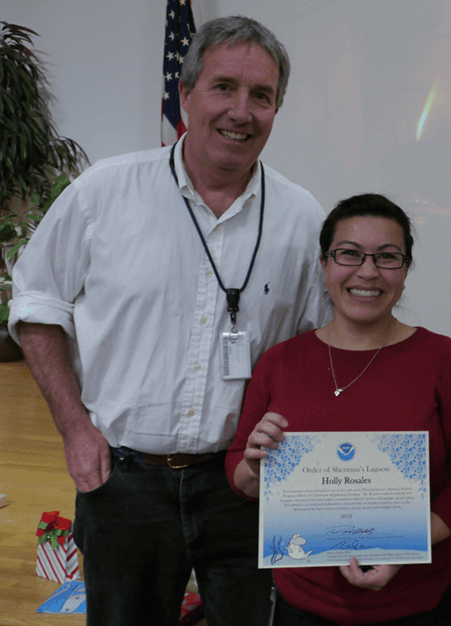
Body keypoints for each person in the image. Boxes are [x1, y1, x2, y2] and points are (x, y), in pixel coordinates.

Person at [9, 16, 330, 626]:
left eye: (261, 96)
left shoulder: (301, 217)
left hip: (248, 485)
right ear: (185, 95)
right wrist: (75, 428)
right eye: (224, 87)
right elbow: (35, 306)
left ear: (276, 109)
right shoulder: (103, 192)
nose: (242, 110)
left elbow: (319, 349)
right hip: (123, 482)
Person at [227, 193, 451, 626]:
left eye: (388, 257)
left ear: (406, 270)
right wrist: (257, 470)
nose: (368, 271)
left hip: (422, 603)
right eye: (349, 254)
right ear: (324, 264)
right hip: (305, 605)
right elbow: (240, 472)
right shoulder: (280, 362)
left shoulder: (444, 360)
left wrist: (406, 542)